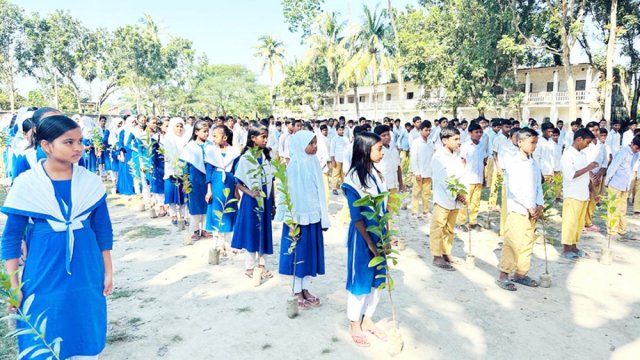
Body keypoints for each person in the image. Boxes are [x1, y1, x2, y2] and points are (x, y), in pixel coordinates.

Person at [2, 115, 113, 359]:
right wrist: (14, 285)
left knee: (85, 327)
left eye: (80, 141)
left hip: (86, 267)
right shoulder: (27, 185)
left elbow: (102, 229)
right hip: (43, 269)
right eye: (69, 142)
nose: (78, 148)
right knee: (43, 328)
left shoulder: (91, 182)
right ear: (46, 146)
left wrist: (108, 270)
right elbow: (10, 238)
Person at [341, 132, 388, 347]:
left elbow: (384, 208)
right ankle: (354, 323)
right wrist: (371, 244)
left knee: (377, 279)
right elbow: (357, 217)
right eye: (378, 148)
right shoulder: (353, 179)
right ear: (365, 150)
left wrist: (385, 236)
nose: (382, 151)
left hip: (379, 234)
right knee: (360, 279)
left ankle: (368, 319)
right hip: (363, 237)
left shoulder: (376, 174)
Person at [278, 130, 329, 309]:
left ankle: (305, 289)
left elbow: (320, 191)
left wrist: (323, 215)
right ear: (300, 145)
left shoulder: (314, 162)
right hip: (298, 219)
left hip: (313, 216)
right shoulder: (294, 166)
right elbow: (288, 195)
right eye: (311, 143)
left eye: (316, 143)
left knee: (309, 254)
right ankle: (296, 290)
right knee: (298, 254)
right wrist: (291, 220)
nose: (315, 147)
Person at [495, 128, 543, 291]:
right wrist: (529, 206)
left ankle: (521, 273)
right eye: (532, 142)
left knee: (527, 242)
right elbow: (514, 188)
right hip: (518, 208)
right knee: (513, 242)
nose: (534, 146)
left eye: (536, 142)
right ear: (520, 142)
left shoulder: (533, 162)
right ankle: (504, 275)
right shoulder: (514, 161)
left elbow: (538, 185)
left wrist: (539, 204)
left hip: (532, 209)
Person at [231, 124, 275, 280]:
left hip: (266, 200)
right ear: (253, 138)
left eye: (266, 136)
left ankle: (262, 265)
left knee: (264, 232)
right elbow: (238, 181)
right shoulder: (245, 158)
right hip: (251, 202)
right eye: (262, 136)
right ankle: (249, 267)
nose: (265, 139)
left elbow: (272, 181)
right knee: (251, 233)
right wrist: (250, 193)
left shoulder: (266, 157)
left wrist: (273, 202)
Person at [430, 127, 466, 271]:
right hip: (443, 198)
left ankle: (446, 252)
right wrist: (456, 193)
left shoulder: (456, 155)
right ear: (445, 141)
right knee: (438, 227)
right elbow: (443, 180)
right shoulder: (438, 157)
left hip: (456, 196)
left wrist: (462, 192)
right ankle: (436, 256)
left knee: (449, 228)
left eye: (459, 139)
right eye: (455, 139)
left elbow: (460, 174)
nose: (459, 142)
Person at [560, 128, 599, 261]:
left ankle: (574, 246)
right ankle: (566, 248)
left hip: (583, 194)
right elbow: (571, 175)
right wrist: (589, 167)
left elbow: (586, 175)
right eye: (587, 142)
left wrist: (592, 190)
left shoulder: (582, 155)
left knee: (579, 223)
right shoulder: (567, 155)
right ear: (579, 139)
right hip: (572, 194)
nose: (587, 145)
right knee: (570, 222)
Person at [205, 125, 240, 255]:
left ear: (224, 137)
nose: (213, 139)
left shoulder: (234, 152)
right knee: (216, 211)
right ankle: (218, 243)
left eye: (215, 136)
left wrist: (236, 190)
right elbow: (209, 173)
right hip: (216, 183)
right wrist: (209, 190)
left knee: (229, 212)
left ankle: (228, 243)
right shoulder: (211, 152)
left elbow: (236, 172)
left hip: (229, 182)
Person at [180, 120, 213, 241]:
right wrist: (185, 181)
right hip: (194, 179)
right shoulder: (190, 146)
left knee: (207, 203)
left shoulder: (211, 146)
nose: (206, 134)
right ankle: (194, 230)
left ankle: (205, 229)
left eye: (207, 131)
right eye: (204, 131)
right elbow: (185, 167)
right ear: (196, 132)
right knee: (194, 204)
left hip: (208, 179)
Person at [603, 135, 640, 240]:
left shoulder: (636, 154)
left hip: (625, 185)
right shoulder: (623, 152)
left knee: (623, 209)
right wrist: (607, 181)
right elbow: (613, 167)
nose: (637, 151)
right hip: (615, 184)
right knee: (613, 208)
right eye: (636, 148)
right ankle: (611, 232)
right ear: (632, 143)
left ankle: (622, 230)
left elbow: (630, 169)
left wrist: (628, 186)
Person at [456, 123, 486, 231]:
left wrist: (484, 177)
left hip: (478, 178)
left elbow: (483, 161)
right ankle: (461, 222)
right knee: (465, 201)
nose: (479, 134)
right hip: (467, 178)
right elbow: (462, 160)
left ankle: (473, 221)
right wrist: (462, 177)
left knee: (476, 202)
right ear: (470, 133)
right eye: (476, 132)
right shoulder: (465, 145)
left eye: (480, 132)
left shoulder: (482, 145)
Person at [163, 117, 190, 225]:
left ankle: (183, 216)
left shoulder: (186, 139)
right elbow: (167, 156)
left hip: (184, 169)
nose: (179, 129)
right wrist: (174, 167)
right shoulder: (167, 139)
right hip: (171, 169)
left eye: (181, 126)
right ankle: (173, 215)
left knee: (184, 193)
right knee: (171, 192)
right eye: (177, 126)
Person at [409, 120, 434, 217]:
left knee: (426, 193)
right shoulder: (416, 143)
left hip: (428, 172)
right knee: (416, 192)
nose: (428, 132)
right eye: (426, 130)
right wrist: (416, 172)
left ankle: (425, 211)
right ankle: (414, 211)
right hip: (419, 172)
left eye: (429, 130)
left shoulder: (431, 142)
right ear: (420, 131)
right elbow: (414, 158)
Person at [330, 124, 348, 195]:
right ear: (336, 130)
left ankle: (344, 187)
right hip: (337, 159)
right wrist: (332, 160)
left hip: (345, 159)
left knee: (344, 174)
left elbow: (348, 149)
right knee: (336, 174)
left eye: (342, 129)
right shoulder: (334, 139)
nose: (342, 131)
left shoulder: (346, 138)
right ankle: (334, 188)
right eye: (340, 130)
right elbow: (332, 150)